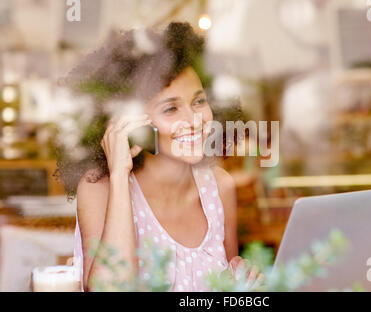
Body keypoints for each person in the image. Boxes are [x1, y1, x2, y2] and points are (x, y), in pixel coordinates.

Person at [57, 22, 264, 291]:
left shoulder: (220, 187)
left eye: (199, 102)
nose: (194, 121)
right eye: (171, 109)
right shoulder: (100, 189)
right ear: (132, 123)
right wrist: (120, 174)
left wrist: (242, 283)